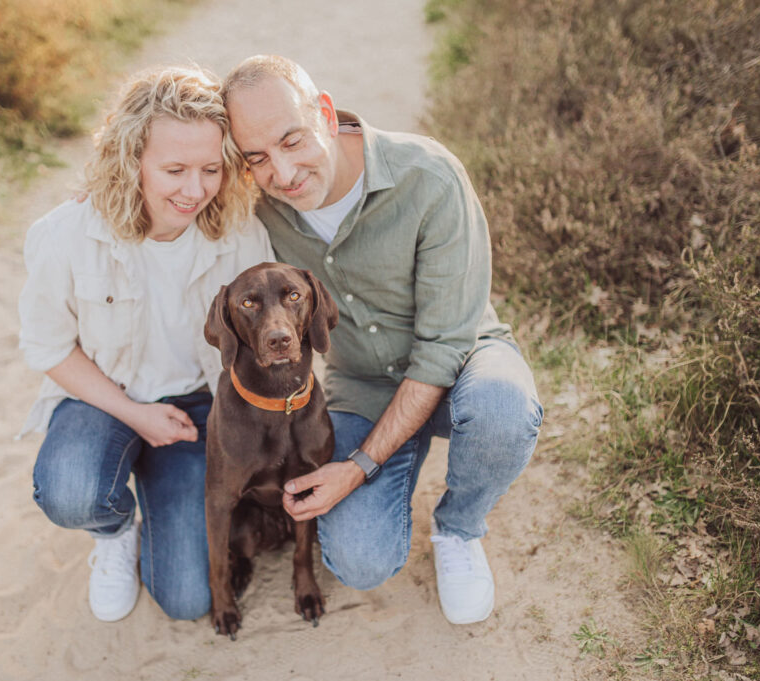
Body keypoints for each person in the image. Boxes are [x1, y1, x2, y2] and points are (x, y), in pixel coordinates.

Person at [221, 55, 543, 625]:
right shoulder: (261, 207)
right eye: (258, 158)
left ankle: (459, 529)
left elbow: (444, 348)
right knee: (359, 561)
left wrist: (360, 465)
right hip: (361, 384)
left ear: (324, 112)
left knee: (502, 409)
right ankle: (400, 466)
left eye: (293, 140)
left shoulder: (429, 176)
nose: (285, 171)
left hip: (463, 356)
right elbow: (185, 195)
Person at [17, 65, 272, 623]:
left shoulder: (240, 231)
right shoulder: (65, 236)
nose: (194, 190)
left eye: (210, 169)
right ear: (132, 159)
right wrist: (136, 414)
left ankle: (161, 503)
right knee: (69, 491)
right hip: (104, 397)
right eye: (174, 169)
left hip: (197, 409)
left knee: (187, 600)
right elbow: (47, 347)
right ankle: (112, 531)